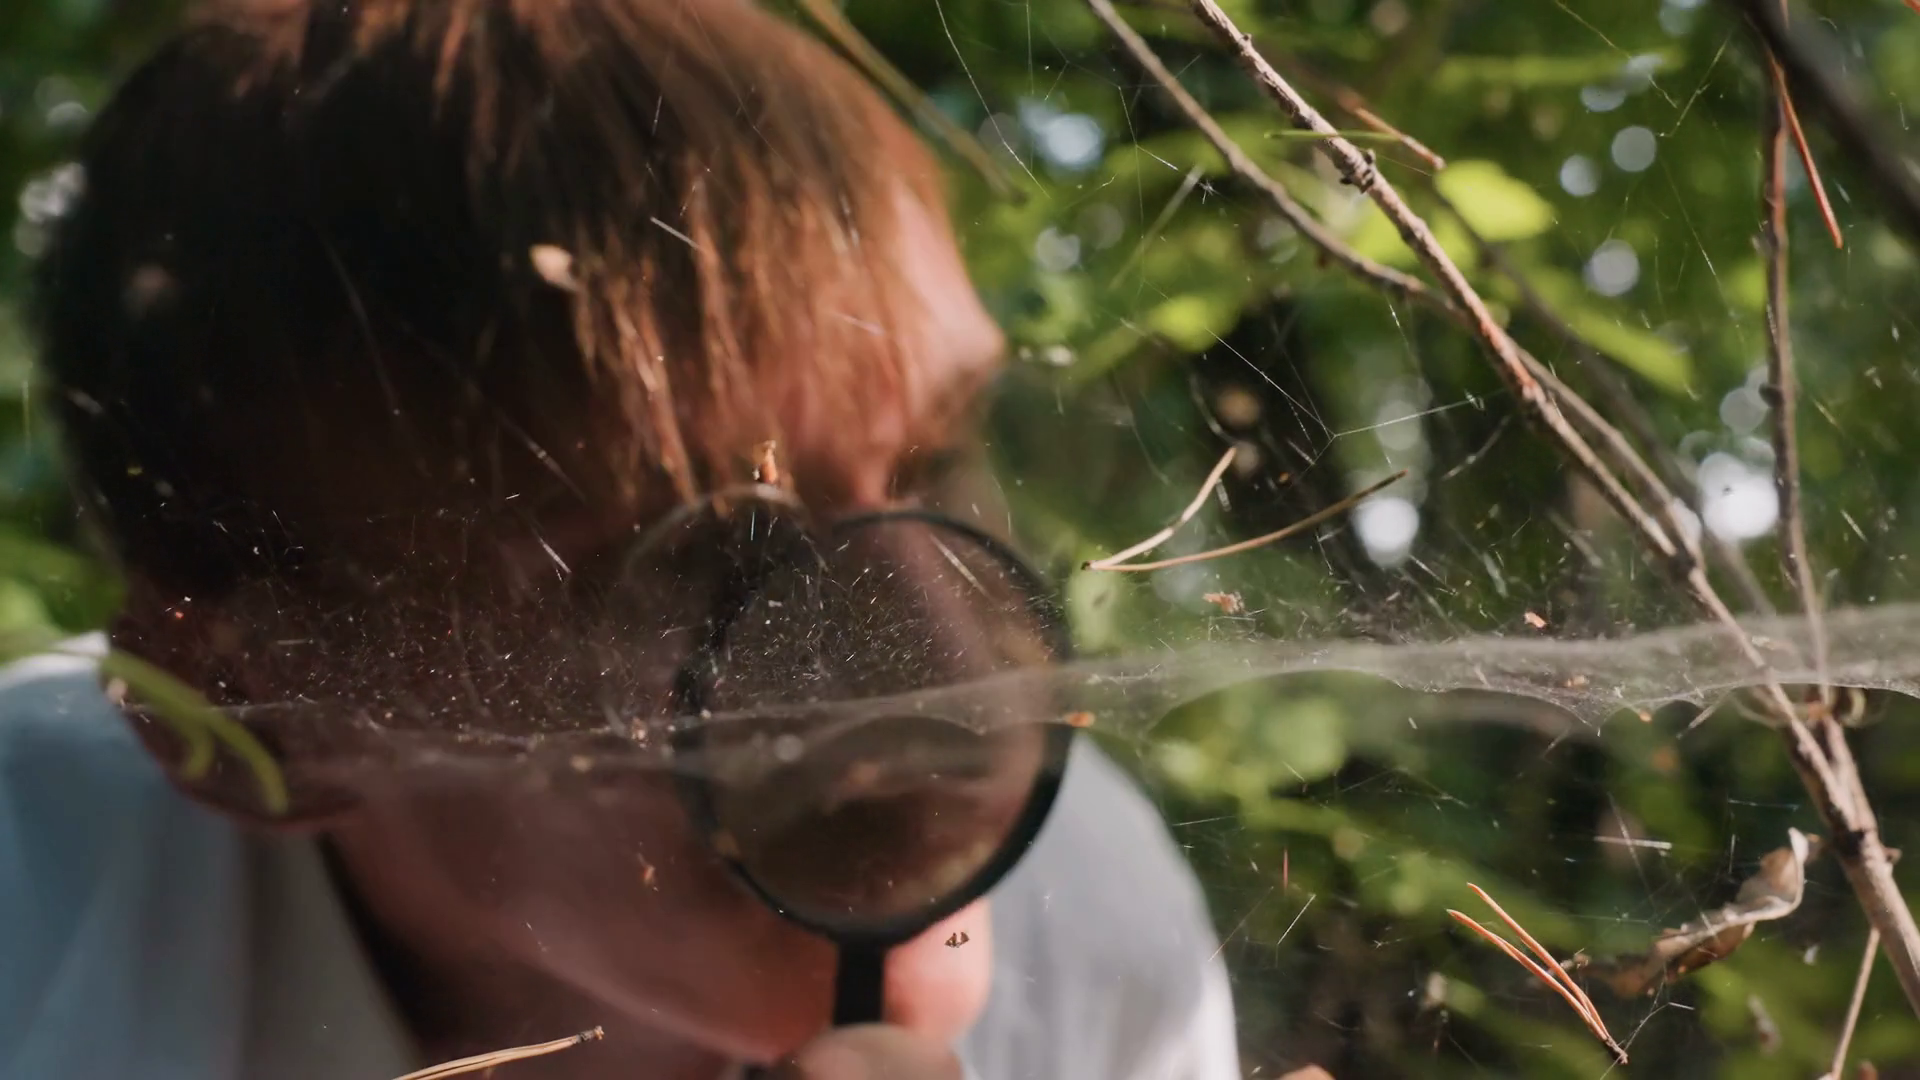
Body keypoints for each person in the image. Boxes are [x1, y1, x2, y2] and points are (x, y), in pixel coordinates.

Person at [0, 1, 1240, 1077]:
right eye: (710, 550)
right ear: (257, 716)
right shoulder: (33, 931)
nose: (945, 677)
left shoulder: (1090, 920)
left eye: (939, 458)